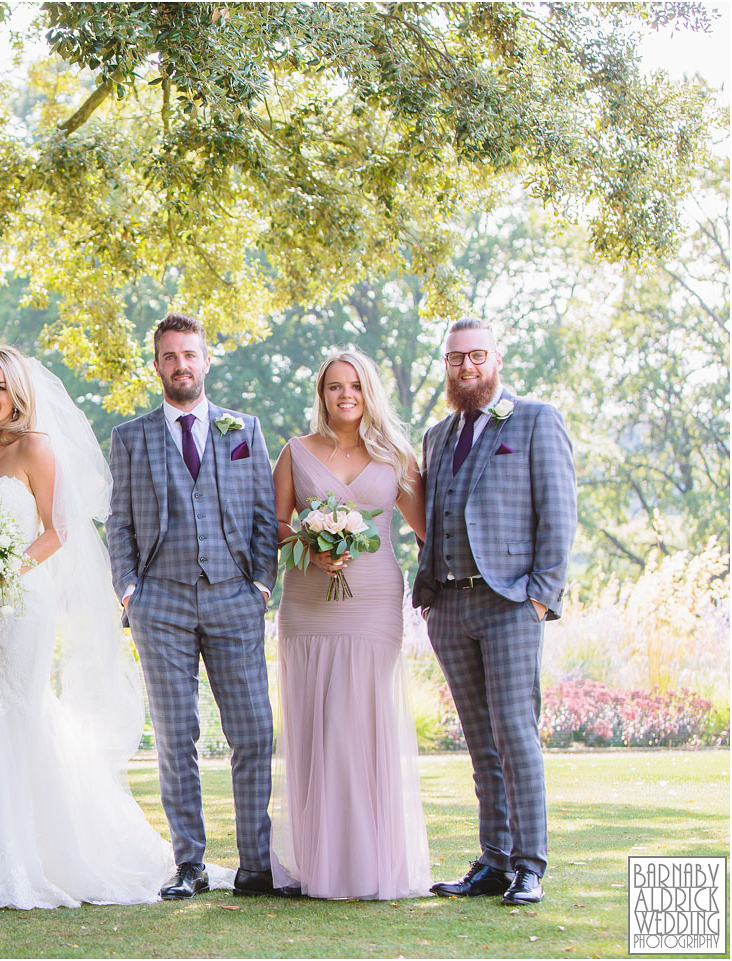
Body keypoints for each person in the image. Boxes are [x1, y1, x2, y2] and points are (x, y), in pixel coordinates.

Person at [0, 346, 197, 908]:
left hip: (23, 598)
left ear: (18, 393)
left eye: (1, 387)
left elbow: (60, 529)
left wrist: (7, 564)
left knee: (20, 706)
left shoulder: (35, 447)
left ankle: (37, 850)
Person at [107, 312, 284, 900]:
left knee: (254, 732)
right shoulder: (132, 437)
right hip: (162, 602)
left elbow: (264, 514)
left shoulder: (245, 430)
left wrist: (261, 583)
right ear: (156, 364)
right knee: (176, 736)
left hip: (235, 598)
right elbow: (121, 523)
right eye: (170, 356)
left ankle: (255, 864)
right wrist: (130, 590)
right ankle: (190, 863)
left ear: (207, 360)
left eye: (191, 354)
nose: (181, 365)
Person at [412, 319, 576, 907]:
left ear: (496, 358)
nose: (466, 367)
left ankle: (531, 865)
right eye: (455, 358)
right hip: (450, 605)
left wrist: (539, 597)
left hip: (509, 603)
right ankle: (494, 860)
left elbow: (558, 515)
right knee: (480, 741)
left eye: (476, 355)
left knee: (515, 735)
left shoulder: (534, 419)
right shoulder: (435, 435)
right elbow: (434, 516)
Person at [269, 348, 432, 900]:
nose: (345, 396)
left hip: (374, 600)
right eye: (335, 387)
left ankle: (367, 865)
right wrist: (309, 550)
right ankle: (322, 864)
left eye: (355, 387)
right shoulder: (296, 452)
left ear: (369, 394)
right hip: (309, 603)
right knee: (316, 724)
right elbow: (272, 524)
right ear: (322, 395)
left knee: (359, 722)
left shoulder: (395, 457)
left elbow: (429, 529)